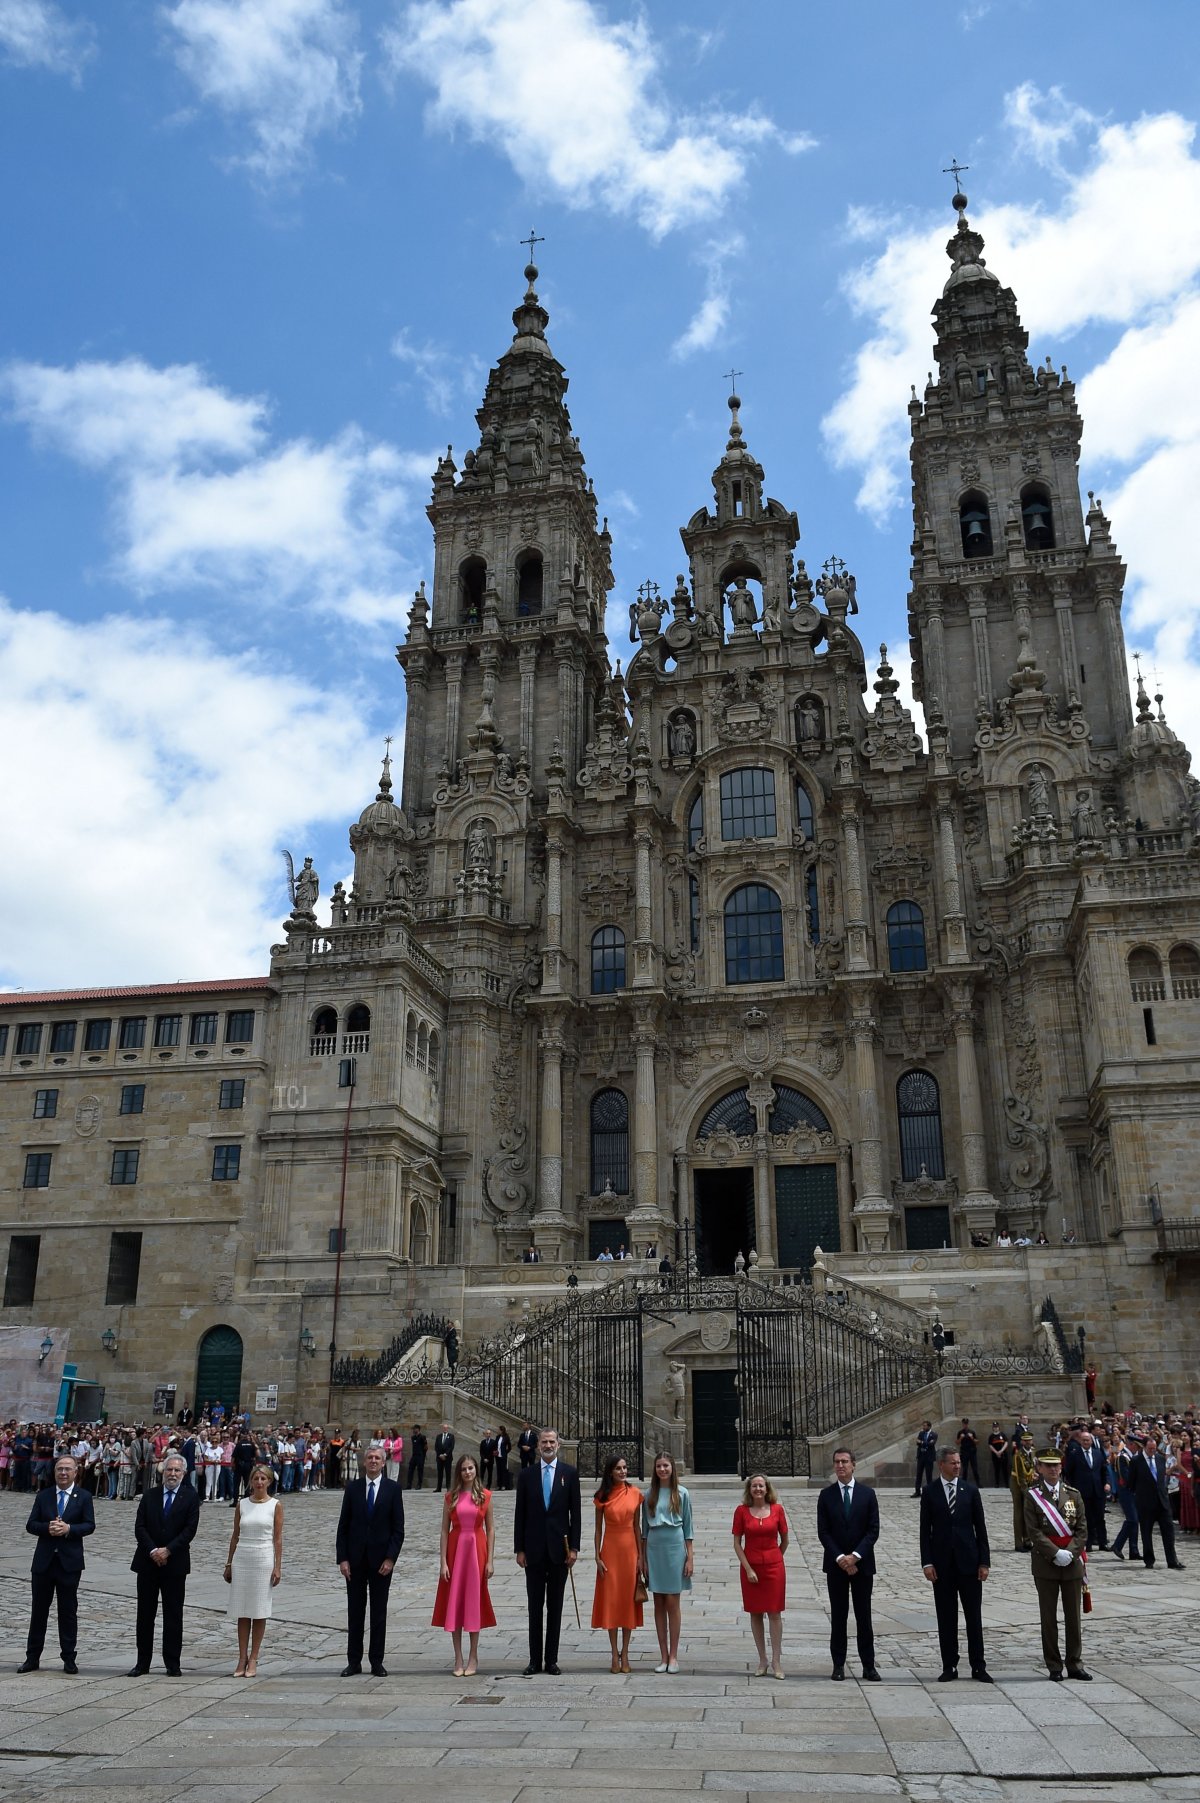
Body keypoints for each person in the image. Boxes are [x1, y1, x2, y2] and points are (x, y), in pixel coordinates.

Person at [513, 1426, 582, 1676]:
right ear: (538, 1444)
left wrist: (574, 1547)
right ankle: (534, 1660)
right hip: (533, 1551)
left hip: (559, 1551)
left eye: (552, 1442)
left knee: (555, 1607)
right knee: (535, 1607)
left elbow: (576, 1514)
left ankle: (551, 1659)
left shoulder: (569, 1474)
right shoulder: (527, 1475)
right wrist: (519, 1549)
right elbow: (520, 1514)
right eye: (544, 1441)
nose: (548, 1445)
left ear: (558, 1445)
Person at [919, 1447, 992, 1683]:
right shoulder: (930, 1492)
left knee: (974, 1617)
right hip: (942, 1565)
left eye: (959, 1462)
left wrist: (984, 1562)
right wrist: (927, 1562)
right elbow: (924, 1531)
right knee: (946, 1617)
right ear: (941, 1465)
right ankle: (949, 1665)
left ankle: (978, 1666)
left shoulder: (970, 1490)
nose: (957, 1466)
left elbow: (980, 1529)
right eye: (952, 1463)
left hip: (969, 1563)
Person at [19, 1454, 95, 1673]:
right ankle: (32, 1657)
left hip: (69, 1562)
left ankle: (69, 1657)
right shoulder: (43, 1496)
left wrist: (69, 1529)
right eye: (60, 1469)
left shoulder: (84, 1496)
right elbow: (31, 1524)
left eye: (67, 1469)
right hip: (44, 1562)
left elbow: (89, 1525)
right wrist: (48, 1527)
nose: (63, 1473)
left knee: (68, 1611)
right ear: (54, 1472)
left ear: (75, 1472)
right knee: (39, 1611)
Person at [336, 1443, 405, 1676]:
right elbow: (343, 1526)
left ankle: (377, 1660)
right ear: (364, 1462)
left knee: (378, 1612)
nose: (373, 1461)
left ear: (384, 1462)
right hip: (355, 1560)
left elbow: (398, 1529)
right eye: (370, 1458)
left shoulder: (393, 1489)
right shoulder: (353, 1489)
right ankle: (353, 1660)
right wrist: (342, 1559)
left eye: (377, 1458)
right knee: (355, 1612)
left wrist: (390, 1558)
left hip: (381, 1562)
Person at [128, 1452, 200, 1675]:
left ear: (184, 1473)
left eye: (177, 1470)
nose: (172, 1474)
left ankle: (172, 1663)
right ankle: (143, 1662)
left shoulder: (190, 1497)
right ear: (163, 1471)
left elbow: (189, 1530)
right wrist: (153, 1550)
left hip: (175, 1563)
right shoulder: (150, 1495)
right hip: (147, 1562)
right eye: (169, 1469)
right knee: (145, 1615)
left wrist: (168, 1550)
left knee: (173, 1615)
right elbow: (140, 1527)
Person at [1024, 1448, 1090, 1681]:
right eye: (1048, 1465)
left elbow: (1082, 1530)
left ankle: (1075, 1663)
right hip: (1046, 1563)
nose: (1053, 1469)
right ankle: (1054, 1665)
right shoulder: (1032, 1495)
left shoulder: (1073, 1494)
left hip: (1071, 1562)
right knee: (1048, 1618)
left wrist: (1070, 1553)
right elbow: (1033, 1530)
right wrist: (1054, 1553)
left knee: (1074, 1617)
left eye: (1056, 1465)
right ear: (1039, 1468)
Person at [816, 1447, 880, 1682]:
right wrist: (841, 1559)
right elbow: (823, 1532)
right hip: (836, 1566)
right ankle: (838, 1664)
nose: (840, 1466)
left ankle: (868, 1666)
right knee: (839, 1616)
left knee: (864, 1617)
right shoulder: (827, 1495)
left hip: (862, 1565)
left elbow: (873, 1530)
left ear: (854, 1464)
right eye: (836, 1462)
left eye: (844, 1461)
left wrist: (855, 1556)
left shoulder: (867, 1494)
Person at [433, 1454, 496, 1676]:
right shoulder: (451, 1498)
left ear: (476, 1470)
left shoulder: (485, 1496)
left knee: (473, 1602)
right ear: (458, 1473)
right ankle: (458, 1657)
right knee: (455, 1603)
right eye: (463, 1469)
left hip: (476, 1550)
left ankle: (473, 1656)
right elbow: (443, 1530)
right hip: (455, 1550)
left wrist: (489, 1561)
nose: (467, 1472)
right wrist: (443, 1562)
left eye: (470, 1468)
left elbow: (491, 1529)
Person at [223, 1463, 282, 1677]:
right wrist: (229, 1563)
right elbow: (235, 1534)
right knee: (242, 1610)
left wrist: (277, 1566)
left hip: (263, 1556)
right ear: (251, 1481)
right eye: (256, 1479)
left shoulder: (275, 1505)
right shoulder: (242, 1504)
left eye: (263, 1479)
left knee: (258, 1610)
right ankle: (241, 1657)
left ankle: (254, 1657)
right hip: (243, 1557)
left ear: (269, 1481)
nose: (259, 1482)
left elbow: (277, 1538)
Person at [640, 1450, 693, 1674]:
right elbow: (643, 1530)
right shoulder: (648, 1494)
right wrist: (642, 1559)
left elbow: (688, 1528)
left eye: (666, 1466)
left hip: (674, 1546)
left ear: (672, 1469)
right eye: (659, 1466)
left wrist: (690, 1557)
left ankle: (674, 1655)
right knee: (658, 1602)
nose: (663, 1469)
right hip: (654, 1547)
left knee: (673, 1602)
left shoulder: (681, 1493)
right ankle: (662, 1655)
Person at [732, 1473, 789, 1679]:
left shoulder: (777, 1510)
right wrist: (748, 1568)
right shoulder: (741, 1511)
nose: (758, 1489)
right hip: (751, 1567)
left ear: (767, 1489)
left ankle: (776, 1661)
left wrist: (775, 1558)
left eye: (761, 1486)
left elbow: (785, 1539)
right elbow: (737, 1543)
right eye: (754, 1486)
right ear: (749, 1489)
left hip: (774, 1567)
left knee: (774, 1613)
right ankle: (762, 1659)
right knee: (755, 1613)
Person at [591, 1454, 644, 1674]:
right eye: (618, 1468)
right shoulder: (602, 1496)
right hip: (610, 1551)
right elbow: (597, 1529)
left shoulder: (635, 1493)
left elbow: (637, 1527)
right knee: (612, 1602)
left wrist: (641, 1557)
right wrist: (597, 1556)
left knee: (627, 1603)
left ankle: (626, 1652)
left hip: (630, 1551)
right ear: (610, 1471)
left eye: (625, 1468)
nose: (623, 1472)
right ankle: (614, 1653)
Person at [1131, 1433, 1186, 1571]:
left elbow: (1162, 1479)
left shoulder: (1161, 1459)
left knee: (1169, 1532)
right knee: (1146, 1532)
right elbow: (1131, 1482)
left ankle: (1172, 1560)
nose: (1152, 1451)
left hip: (1162, 1502)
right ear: (1144, 1447)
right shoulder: (1136, 1461)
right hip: (1145, 1503)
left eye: (1154, 1448)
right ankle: (1149, 1559)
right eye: (1150, 1448)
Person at [1064, 1429, 1110, 1550]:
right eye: (1083, 1440)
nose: (1086, 1442)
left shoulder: (1097, 1453)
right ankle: (1088, 1543)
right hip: (1083, 1491)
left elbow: (1104, 1470)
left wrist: (1107, 1483)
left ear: (1091, 1441)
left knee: (1100, 1517)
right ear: (1080, 1441)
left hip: (1098, 1490)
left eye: (1088, 1440)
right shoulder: (1075, 1454)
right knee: (1086, 1518)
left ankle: (1102, 1542)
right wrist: (1074, 1487)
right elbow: (1068, 1472)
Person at [1009, 1433, 1038, 1552]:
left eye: (1029, 1441)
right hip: (1017, 1484)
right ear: (1022, 1442)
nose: (1027, 1443)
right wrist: (1026, 1491)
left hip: (1029, 1483)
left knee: (1028, 1513)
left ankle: (1027, 1539)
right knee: (1019, 1513)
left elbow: (1032, 1468)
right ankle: (1018, 1543)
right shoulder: (1018, 1455)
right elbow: (1020, 1475)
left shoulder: (1033, 1452)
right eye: (1025, 1441)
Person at [912, 1421, 937, 1496]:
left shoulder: (934, 1434)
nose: (923, 1427)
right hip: (921, 1456)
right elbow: (917, 1442)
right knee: (919, 1474)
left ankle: (929, 1492)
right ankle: (917, 1491)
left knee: (928, 1475)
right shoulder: (921, 1433)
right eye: (923, 1426)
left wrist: (922, 1442)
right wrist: (925, 1443)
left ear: (929, 1426)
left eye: (925, 1426)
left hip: (929, 1457)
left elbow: (931, 1444)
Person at [955, 1419, 980, 1485]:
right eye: (964, 1424)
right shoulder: (960, 1432)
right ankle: (964, 1484)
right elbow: (957, 1442)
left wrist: (972, 1438)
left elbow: (977, 1442)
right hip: (964, 1452)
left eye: (966, 1424)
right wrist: (961, 1438)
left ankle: (978, 1483)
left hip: (972, 1452)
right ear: (962, 1424)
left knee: (975, 1468)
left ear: (967, 1424)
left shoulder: (972, 1432)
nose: (965, 1425)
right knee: (965, 1469)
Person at [986, 1423, 1010, 1489]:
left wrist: (1001, 1451)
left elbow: (1006, 1443)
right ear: (992, 1428)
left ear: (999, 1427)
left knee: (1005, 1470)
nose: (995, 1428)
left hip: (1003, 1455)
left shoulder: (1002, 1435)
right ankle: (997, 1484)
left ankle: (1007, 1484)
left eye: (996, 1427)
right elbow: (990, 1445)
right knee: (996, 1470)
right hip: (995, 1455)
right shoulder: (991, 1436)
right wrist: (996, 1452)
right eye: (994, 1427)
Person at [434, 1423, 455, 1492]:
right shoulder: (438, 1436)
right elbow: (436, 1446)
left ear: (448, 1429)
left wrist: (445, 1454)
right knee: (440, 1473)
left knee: (448, 1473)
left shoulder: (451, 1436)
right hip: (439, 1458)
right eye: (444, 1428)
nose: (445, 1429)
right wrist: (440, 1455)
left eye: (446, 1428)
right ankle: (438, 1488)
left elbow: (451, 1447)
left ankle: (448, 1487)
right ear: (442, 1429)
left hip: (448, 1458)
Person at [407, 1425, 428, 1489]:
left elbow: (425, 1447)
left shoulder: (422, 1437)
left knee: (420, 1471)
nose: (413, 1430)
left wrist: (423, 1456)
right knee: (410, 1470)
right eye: (413, 1429)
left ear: (418, 1429)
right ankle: (409, 1484)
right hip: (414, 1455)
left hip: (420, 1456)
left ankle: (419, 1484)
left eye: (414, 1429)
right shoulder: (413, 1437)